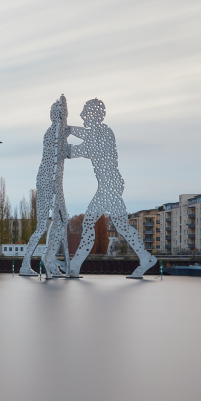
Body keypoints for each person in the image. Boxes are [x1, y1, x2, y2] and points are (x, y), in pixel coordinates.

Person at [67, 99, 156, 278]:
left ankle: (75, 267)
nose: (83, 115)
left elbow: (77, 149)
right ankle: (145, 257)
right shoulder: (99, 134)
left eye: (86, 112)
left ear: (94, 115)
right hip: (111, 185)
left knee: (90, 223)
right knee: (121, 225)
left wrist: (66, 133)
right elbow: (82, 141)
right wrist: (67, 134)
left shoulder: (103, 133)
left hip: (109, 186)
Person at [19, 96, 69, 277]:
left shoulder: (60, 133)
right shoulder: (53, 133)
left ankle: (50, 260)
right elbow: (56, 158)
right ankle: (26, 265)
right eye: (58, 113)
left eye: (62, 113)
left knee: (64, 221)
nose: (61, 117)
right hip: (48, 183)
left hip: (55, 185)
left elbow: (66, 152)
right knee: (42, 226)